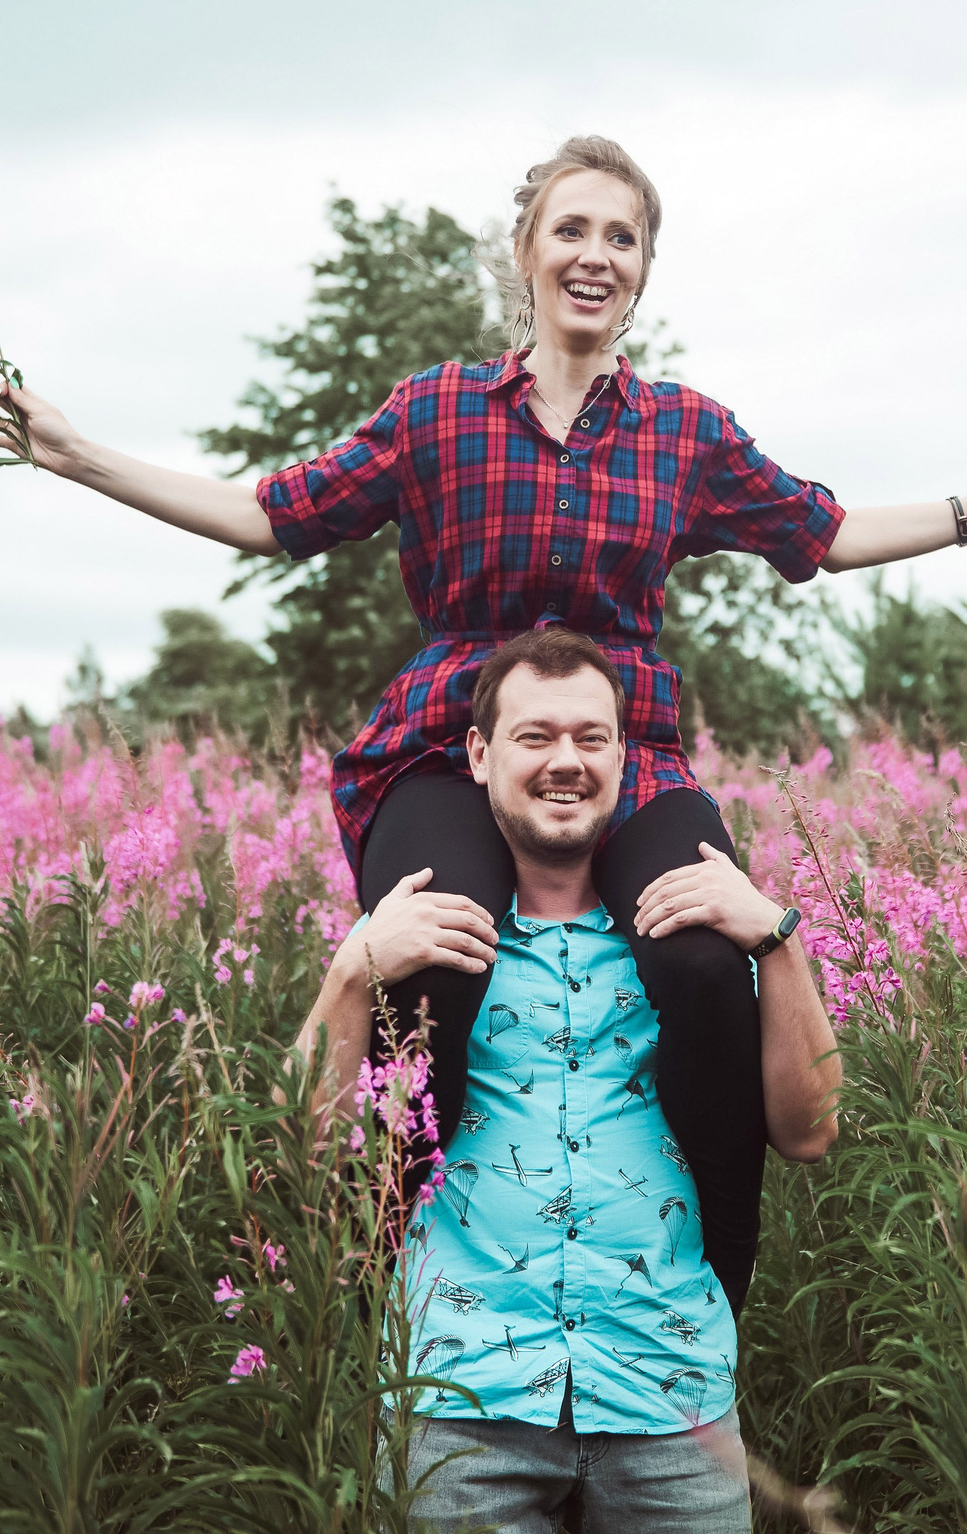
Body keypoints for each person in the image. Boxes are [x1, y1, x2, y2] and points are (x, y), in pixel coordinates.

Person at [0, 134, 967, 1311]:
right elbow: (272, 515)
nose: (595, 255)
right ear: (525, 252)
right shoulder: (437, 411)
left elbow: (824, 532)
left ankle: (709, 1303)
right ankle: (389, 1283)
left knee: (710, 966)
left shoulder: (686, 434)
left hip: (627, 758)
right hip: (446, 750)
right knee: (439, 955)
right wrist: (75, 456)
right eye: (572, 229)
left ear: (645, 268)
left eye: (623, 236)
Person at [291, 627, 835, 1529]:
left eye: (590, 738)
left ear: (626, 755)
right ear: (478, 754)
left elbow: (813, 1132)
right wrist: (351, 973)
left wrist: (776, 938)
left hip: (671, 1400)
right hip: (457, 1401)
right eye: (534, 737)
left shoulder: (692, 934)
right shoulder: (416, 941)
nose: (565, 763)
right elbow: (297, 1144)